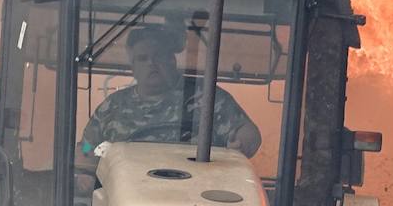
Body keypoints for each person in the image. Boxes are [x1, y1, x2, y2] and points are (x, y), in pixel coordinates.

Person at [80, 24, 261, 158]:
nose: (151, 63)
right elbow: (86, 147)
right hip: (126, 196)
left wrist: (241, 144)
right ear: (133, 67)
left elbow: (247, 133)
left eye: (158, 56)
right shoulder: (113, 106)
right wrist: (86, 163)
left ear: (171, 61)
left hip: (196, 195)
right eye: (143, 58)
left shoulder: (207, 97)